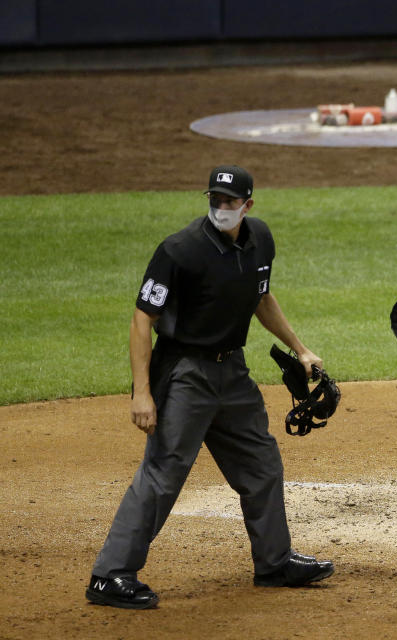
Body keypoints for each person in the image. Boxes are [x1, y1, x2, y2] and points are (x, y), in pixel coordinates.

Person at [85, 165, 334, 609]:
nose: (220, 207)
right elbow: (144, 318)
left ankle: (274, 563)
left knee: (261, 464)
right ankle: (110, 575)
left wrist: (299, 348)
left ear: (247, 205)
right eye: (214, 199)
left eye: (229, 201)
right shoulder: (180, 250)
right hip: (185, 373)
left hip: (232, 373)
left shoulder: (260, 239)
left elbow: (261, 296)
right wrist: (142, 392)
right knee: (164, 473)